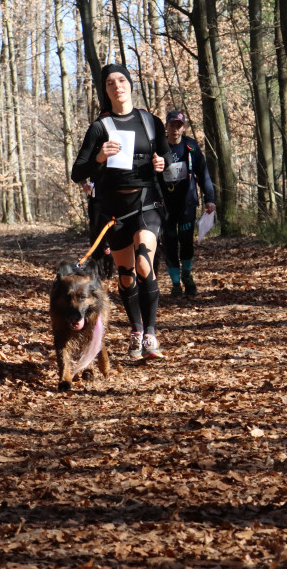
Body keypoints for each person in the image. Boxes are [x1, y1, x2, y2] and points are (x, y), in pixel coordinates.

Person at [71, 64, 173, 360]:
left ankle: (151, 334)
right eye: (110, 83)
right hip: (114, 209)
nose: (117, 86)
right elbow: (77, 171)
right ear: (105, 91)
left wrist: (162, 164)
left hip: (147, 202)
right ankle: (137, 330)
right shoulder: (100, 127)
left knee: (144, 264)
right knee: (126, 275)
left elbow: (166, 156)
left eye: (122, 80)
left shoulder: (150, 122)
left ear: (130, 84)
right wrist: (100, 156)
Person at [159, 110, 216, 297]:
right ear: (166, 126)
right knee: (168, 244)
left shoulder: (191, 147)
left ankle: (187, 275)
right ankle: (175, 283)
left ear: (183, 128)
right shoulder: (158, 147)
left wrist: (210, 199)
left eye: (178, 125)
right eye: (171, 125)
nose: (175, 129)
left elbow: (204, 174)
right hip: (164, 206)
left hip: (187, 204)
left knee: (186, 242)